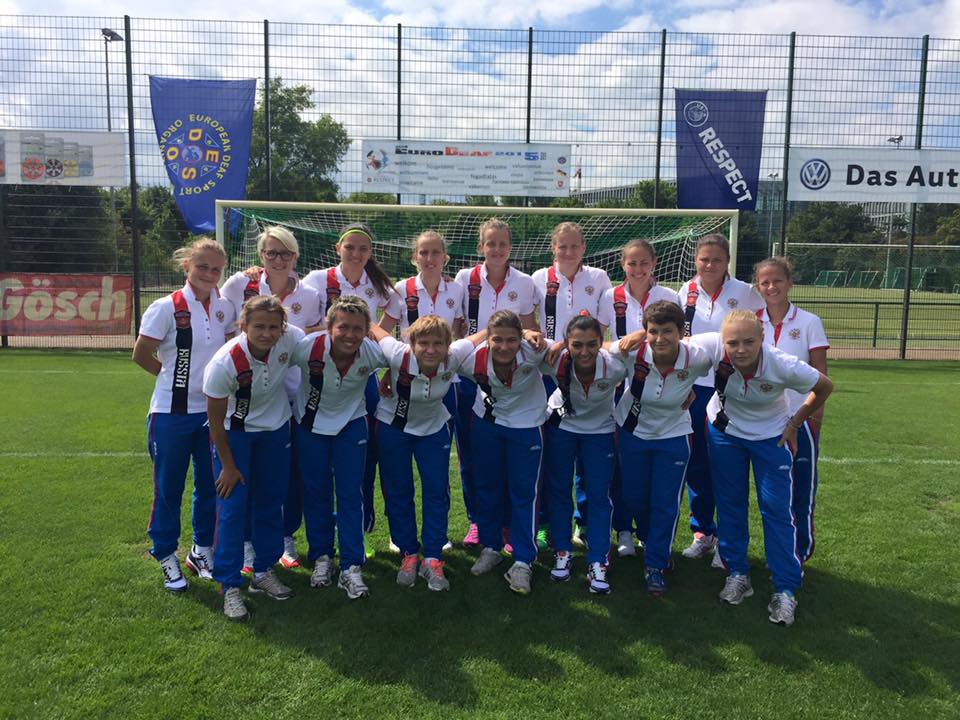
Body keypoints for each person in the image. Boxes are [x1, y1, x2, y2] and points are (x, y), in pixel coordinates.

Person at [694, 310, 833, 626]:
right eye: (733, 343)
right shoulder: (712, 346)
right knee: (729, 505)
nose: (740, 349)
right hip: (725, 432)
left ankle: (785, 589)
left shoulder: (782, 364)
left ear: (763, 339)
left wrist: (795, 423)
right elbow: (668, 345)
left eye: (749, 341)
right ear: (722, 342)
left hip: (772, 436)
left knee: (776, 510)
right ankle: (737, 573)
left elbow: (824, 386)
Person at [133, 237, 235, 593]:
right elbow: (141, 354)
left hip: (212, 415)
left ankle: (201, 550)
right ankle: (164, 553)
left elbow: (231, 352)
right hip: (170, 414)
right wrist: (173, 381)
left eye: (216, 269)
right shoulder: (165, 307)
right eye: (202, 266)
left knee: (211, 486)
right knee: (169, 488)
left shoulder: (225, 307)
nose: (209, 273)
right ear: (186, 265)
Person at [221, 225, 322, 572]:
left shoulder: (310, 294)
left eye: (285, 253)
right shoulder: (240, 285)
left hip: (293, 394)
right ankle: (247, 542)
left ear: (295, 256)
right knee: (248, 474)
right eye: (271, 253)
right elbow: (226, 332)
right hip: (248, 396)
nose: (279, 260)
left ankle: (286, 537)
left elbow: (311, 339)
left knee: (290, 474)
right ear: (261, 255)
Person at [203, 296, 305, 621]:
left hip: (275, 431)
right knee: (232, 509)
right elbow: (215, 420)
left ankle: (262, 571)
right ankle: (230, 585)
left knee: (270, 502)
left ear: (283, 328)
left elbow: (321, 346)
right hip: (235, 435)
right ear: (243, 325)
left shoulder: (290, 340)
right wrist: (228, 466)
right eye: (258, 326)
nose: (266, 333)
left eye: (273, 327)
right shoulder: (225, 362)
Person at [369, 315, 486, 591]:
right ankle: (408, 553)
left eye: (438, 344)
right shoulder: (397, 353)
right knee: (398, 491)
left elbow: (482, 334)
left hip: (433, 429)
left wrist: (524, 333)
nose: (431, 350)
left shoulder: (454, 356)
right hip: (393, 427)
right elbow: (374, 328)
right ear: (411, 344)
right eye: (423, 343)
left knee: (436, 491)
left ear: (448, 345)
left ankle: (433, 557)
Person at [303, 224, 402, 542]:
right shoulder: (318, 280)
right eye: (350, 247)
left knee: (365, 456)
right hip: (321, 377)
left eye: (363, 248)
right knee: (318, 464)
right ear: (338, 249)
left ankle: (360, 524)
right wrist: (331, 333)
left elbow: (393, 311)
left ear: (370, 253)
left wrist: (374, 335)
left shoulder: (376, 285)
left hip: (361, 376)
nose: (356, 253)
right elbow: (303, 323)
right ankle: (321, 535)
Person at [610, 302, 712, 596]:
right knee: (634, 497)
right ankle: (647, 537)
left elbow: (727, 352)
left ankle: (656, 563)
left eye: (667, 331)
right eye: (653, 331)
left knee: (665, 502)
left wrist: (694, 392)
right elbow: (598, 348)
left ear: (681, 332)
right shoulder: (634, 351)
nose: (660, 338)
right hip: (632, 431)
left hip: (673, 435)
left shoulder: (697, 357)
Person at [290, 296, 389, 600]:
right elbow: (271, 358)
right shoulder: (307, 347)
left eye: (357, 328)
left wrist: (389, 377)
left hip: (351, 425)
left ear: (366, 331)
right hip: (309, 425)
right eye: (343, 327)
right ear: (329, 326)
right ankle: (322, 556)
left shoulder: (372, 352)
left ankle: (351, 566)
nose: (349, 334)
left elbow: (403, 360)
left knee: (350, 494)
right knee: (316, 491)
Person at [676, 234, 763, 565]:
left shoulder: (746, 293)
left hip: (731, 390)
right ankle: (703, 533)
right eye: (704, 259)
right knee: (697, 462)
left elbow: (758, 337)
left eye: (716, 259)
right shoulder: (686, 291)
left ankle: (728, 541)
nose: (709, 265)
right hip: (695, 388)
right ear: (695, 260)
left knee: (727, 466)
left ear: (727, 261)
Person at [453, 218, 537, 548]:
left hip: (510, 378)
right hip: (472, 374)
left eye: (503, 243)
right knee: (471, 454)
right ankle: (478, 520)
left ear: (510, 247)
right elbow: (458, 327)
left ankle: (509, 525)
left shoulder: (525, 283)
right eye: (491, 243)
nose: (497, 249)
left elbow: (529, 327)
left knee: (508, 458)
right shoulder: (465, 279)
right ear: (481, 247)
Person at [531, 222, 612, 552]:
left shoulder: (599, 278)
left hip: (586, 365)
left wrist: (570, 344)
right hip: (549, 368)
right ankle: (547, 524)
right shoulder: (538, 278)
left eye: (574, 246)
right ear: (553, 248)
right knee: (552, 454)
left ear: (584, 248)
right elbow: (530, 321)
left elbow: (600, 326)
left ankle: (585, 523)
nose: (568, 251)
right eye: (562, 246)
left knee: (587, 448)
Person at [457, 310, 548, 595]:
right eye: (497, 339)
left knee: (524, 492)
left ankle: (523, 560)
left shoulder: (534, 352)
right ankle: (491, 547)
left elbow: (566, 353)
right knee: (487, 487)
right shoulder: (470, 359)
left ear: (521, 339)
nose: (505, 346)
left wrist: (536, 336)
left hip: (527, 425)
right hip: (487, 424)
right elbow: (440, 355)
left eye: (512, 340)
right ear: (488, 338)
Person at [598, 239, 679, 557]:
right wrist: (621, 346)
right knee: (622, 466)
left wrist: (643, 335)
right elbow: (598, 340)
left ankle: (648, 531)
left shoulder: (668, 296)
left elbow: (679, 338)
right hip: (621, 388)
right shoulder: (610, 296)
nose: (638, 268)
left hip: (659, 388)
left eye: (644, 262)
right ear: (622, 264)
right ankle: (623, 530)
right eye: (632, 263)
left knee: (652, 469)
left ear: (654, 263)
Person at [392, 230, 465, 551]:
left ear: (445, 257)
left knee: (437, 470)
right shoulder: (401, 288)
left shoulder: (457, 289)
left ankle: (438, 534)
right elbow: (388, 330)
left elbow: (459, 330)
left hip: (446, 383)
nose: (430, 258)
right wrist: (393, 369)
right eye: (424, 252)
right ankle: (401, 535)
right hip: (407, 382)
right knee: (400, 469)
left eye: (436, 252)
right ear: (414, 257)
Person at [541, 315, 625, 594]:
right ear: (566, 343)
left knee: (599, 495)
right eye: (577, 345)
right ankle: (562, 550)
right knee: (558, 489)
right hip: (562, 427)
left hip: (600, 430)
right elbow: (521, 348)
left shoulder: (615, 365)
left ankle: (598, 559)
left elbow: (648, 355)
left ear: (601, 343)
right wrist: (532, 335)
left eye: (592, 344)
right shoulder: (554, 359)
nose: (585, 352)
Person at [754, 256, 829, 563]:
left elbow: (821, 376)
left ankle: (800, 551)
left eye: (777, 281)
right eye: (765, 282)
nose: (771, 287)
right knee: (771, 492)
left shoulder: (809, 322)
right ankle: (777, 550)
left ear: (790, 283)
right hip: (763, 421)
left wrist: (811, 420)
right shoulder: (751, 320)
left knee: (801, 488)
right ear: (758, 287)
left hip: (800, 419)